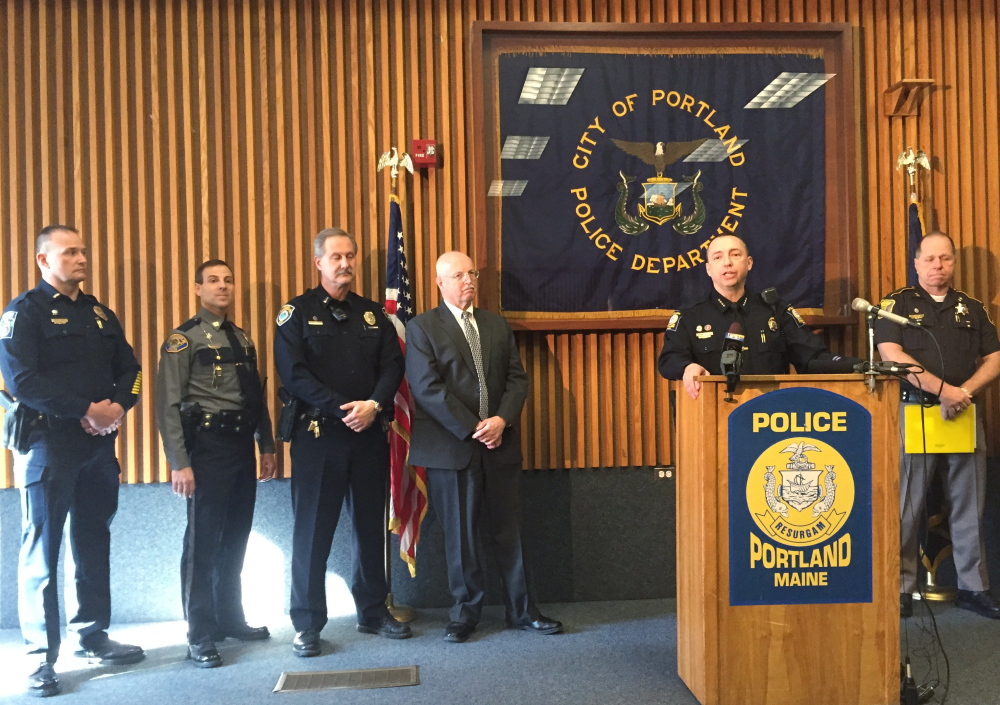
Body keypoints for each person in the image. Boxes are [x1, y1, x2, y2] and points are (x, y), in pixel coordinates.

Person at [0, 225, 144, 697]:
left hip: (99, 448)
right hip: (49, 445)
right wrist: (86, 410)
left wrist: (117, 408)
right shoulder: (24, 312)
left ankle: (93, 634)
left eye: (83, 250)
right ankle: (40, 657)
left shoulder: (100, 313)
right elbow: (22, 381)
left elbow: (132, 370)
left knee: (92, 541)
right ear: (44, 260)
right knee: (41, 551)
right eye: (70, 252)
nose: (82, 258)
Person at [405, 251, 562, 643]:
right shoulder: (422, 327)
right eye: (458, 275)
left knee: (509, 531)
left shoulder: (495, 324)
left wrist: (501, 421)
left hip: (499, 444)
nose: (468, 281)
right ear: (440, 283)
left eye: (471, 273)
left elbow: (517, 380)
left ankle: (523, 610)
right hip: (451, 448)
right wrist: (476, 427)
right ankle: (463, 615)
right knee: (460, 535)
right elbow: (426, 388)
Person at [273, 227, 411, 657]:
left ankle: (373, 610)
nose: (345, 264)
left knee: (370, 528)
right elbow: (293, 374)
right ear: (318, 263)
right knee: (312, 532)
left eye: (350, 256)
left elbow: (392, 367)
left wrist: (371, 405)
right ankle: (308, 623)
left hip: (367, 435)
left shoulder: (373, 315)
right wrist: (343, 408)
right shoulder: (294, 314)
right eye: (335, 257)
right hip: (319, 438)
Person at [155, 259, 277, 668]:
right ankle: (200, 633)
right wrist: (179, 462)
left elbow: (255, 397)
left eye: (228, 280)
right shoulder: (183, 339)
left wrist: (268, 444)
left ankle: (230, 618)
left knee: (236, 538)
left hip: (241, 446)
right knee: (203, 543)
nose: (222, 286)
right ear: (197, 289)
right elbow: (168, 405)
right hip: (205, 449)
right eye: (213, 280)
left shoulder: (242, 339)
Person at [874, 231, 1000, 619]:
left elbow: (994, 358)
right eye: (930, 259)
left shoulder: (971, 308)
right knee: (906, 509)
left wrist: (961, 393)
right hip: (916, 412)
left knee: (969, 507)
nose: (938, 267)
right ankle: (900, 588)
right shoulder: (895, 305)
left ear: (954, 262)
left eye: (945, 259)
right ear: (916, 262)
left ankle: (973, 588)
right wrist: (943, 390)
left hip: (963, 413)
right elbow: (891, 354)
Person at [657, 234, 855, 398]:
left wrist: (857, 367)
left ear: (749, 263)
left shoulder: (774, 310)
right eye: (718, 257)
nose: (727, 262)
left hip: (770, 414)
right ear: (708, 269)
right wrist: (687, 367)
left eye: (735, 255)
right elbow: (669, 360)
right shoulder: (690, 315)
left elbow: (812, 358)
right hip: (711, 414)